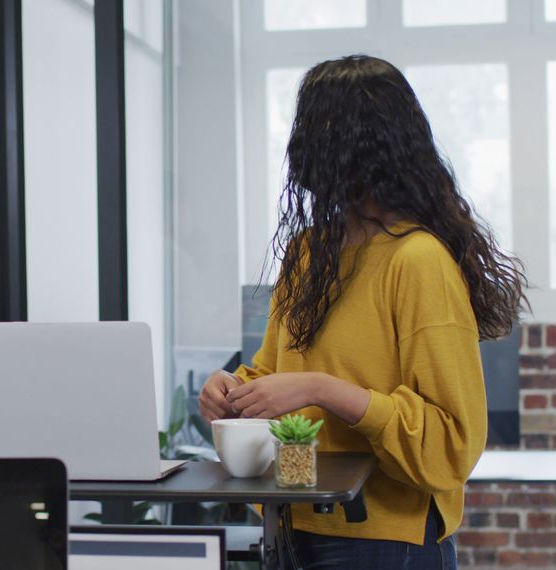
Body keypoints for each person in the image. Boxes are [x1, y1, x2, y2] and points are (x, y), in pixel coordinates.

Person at [199, 55, 526, 568]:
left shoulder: (418, 261)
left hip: (383, 542)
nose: (304, 145)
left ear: (365, 144)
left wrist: (322, 389)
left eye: (319, 129)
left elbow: (451, 445)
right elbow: (273, 372)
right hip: (291, 525)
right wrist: (233, 391)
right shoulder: (307, 252)